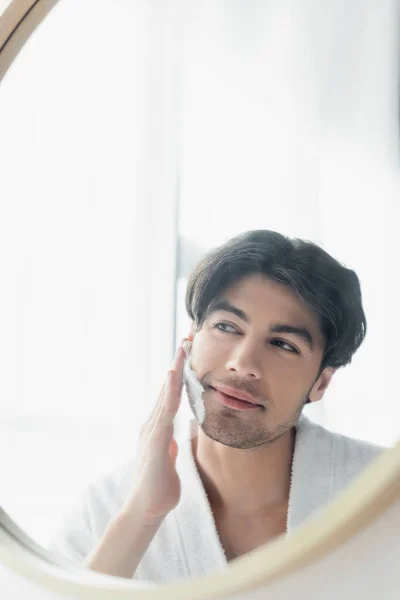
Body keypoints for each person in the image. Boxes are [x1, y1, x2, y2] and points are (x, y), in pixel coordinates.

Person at [50, 230, 385, 583]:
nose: (242, 363)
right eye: (226, 326)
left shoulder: (381, 493)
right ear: (190, 340)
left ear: (321, 382)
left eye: (283, 345)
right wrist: (141, 517)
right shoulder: (106, 509)